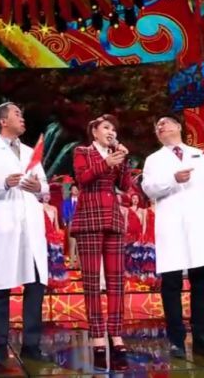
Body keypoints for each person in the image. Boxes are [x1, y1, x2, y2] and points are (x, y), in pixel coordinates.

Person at [0, 102, 51, 368]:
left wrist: (38, 187)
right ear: (3, 121)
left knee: (35, 285)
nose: (22, 117)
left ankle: (31, 345)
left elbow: (45, 188)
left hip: (31, 226)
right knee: (0, 287)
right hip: (4, 225)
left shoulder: (30, 152)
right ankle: (0, 345)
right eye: (17, 114)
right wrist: (4, 182)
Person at [142, 116, 204, 360]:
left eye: (166, 123)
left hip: (201, 224)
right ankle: (176, 340)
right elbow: (149, 188)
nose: (161, 127)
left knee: (201, 282)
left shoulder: (199, 155)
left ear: (179, 127)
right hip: (171, 225)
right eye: (157, 126)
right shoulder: (153, 159)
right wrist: (173, 180)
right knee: (171, 283)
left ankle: (203, 338)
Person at [70, 114, 132, 370]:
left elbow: (125, 186)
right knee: (92, 282)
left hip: (113, 220)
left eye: (114, 129)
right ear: (94, 131)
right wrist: (106, 163)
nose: (111, 132)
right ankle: (97, 337)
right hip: (89, 219)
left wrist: (123, 161)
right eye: (106, 127)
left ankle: (116, 336)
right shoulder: (82, 151)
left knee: (117, 281)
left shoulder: (116, 154)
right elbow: (83, 178)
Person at [43, 198, 68, 288]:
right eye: (44, 195)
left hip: (52, 235)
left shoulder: (54, 208)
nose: (46, 197)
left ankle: (53, 282)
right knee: (45, 260)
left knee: (53, 261)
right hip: (42, 235)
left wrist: (59, 237)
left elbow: (56, 225)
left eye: (48, 195)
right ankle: (44, 282)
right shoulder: (38, 208)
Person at [62, 185, 80, 268]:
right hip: (71, 222)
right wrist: (66, 221)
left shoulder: (81, 201)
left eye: (76, 189)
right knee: (72, 244)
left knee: (80, 245)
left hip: (80, 223)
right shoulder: (66, 202)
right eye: (73, 189)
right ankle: (72, 263)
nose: (75, 190)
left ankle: (80, 264)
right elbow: (64, 212)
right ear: (70, 191)